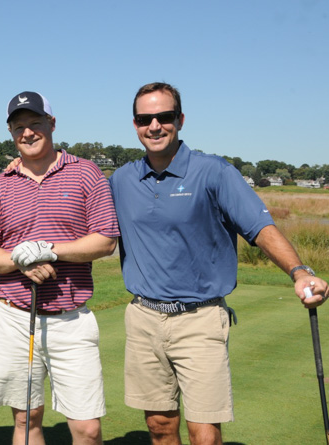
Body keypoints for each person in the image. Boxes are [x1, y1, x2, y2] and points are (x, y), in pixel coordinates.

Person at [108, 81, 329, 445]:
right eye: (145, 119)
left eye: (164, 117)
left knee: (205, 434)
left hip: (200, 318)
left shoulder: (214, 172)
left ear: (180, 120)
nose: (154, 126)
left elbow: (259, 227)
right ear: (135, 125)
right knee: (159, 426)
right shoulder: (122, 180)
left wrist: (299, 271)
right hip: (143, 318)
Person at [0, 91, 120, 444]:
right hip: (14, 318)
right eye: (18, 127)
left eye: (35, 123)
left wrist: (49, 251)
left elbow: (105, 240)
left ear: (51, 124)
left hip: (71, 321)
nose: (27, 133)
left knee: (87, 428)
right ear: (11, 132)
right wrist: (19, 260)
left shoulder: (86, 173)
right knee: (26, 420)